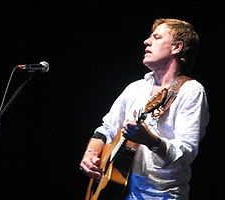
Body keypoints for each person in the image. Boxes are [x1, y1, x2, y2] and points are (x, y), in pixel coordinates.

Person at [80, 18, 209, 200]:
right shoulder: (136, 87)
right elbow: (106, 129)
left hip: (161, 195)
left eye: (156, 37)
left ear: (176, 47)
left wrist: (150, 140)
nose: (147, 41)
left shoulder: (191, 91)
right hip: (120, 190)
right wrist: (90, 154)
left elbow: (185, 154)